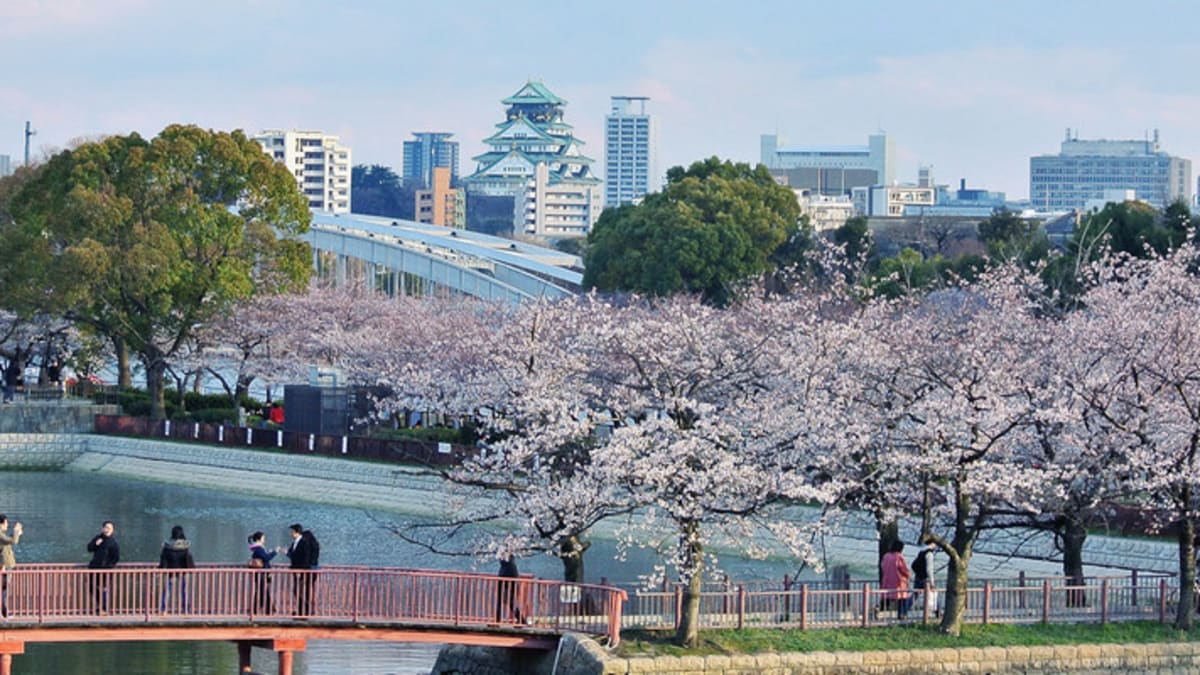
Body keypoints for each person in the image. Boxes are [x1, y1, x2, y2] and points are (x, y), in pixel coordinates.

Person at [158, 525, 195, 612]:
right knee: (184, 591)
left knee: (167, 590)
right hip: (183, 570)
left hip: (171, 570)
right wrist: (191, 567)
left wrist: (161, 568)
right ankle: (186, 609)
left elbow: (163, 559)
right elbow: (188, 558)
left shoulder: (167, 547)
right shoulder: (185, 546)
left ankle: (163, 609)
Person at [86, 521, 120, 614]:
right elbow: (89, 548)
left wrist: (108, 567)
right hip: (94, 568)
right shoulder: (98, 538)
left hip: (106, 571)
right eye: (106, 527)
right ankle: (100, 606)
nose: (107, 529)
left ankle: (104, 608)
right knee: (92, 587)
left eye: (109, 528)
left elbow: (115, 558)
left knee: (103, 589)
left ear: (112, 530)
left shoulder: (113, 543)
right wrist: (96, 544)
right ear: (103, 528)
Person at [285, 523, 319, 616]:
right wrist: (287, 553)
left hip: (302, 571)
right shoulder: (294, 543)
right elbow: (294, 556)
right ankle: (301, 610)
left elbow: (305, 558)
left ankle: (305, 610)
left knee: (301, 591)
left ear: (296, 532)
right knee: (298, 591)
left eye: (292, 532)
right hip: (296, 571)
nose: (290, 534)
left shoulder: (304, 542)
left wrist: (301, 570)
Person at [247, 531, 282, 614]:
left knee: (262, 591)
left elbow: (264, 558)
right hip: (261, 573)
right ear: (259, 539)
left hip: (261, 573)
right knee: (262, 591)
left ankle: (261, 609)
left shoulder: (257, 548)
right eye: (263, 538)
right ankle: (265, 609)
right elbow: (266, 558)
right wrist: (275, 552)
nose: (264, 540)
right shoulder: (259, 549)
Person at [880, 539, 912, 620]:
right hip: (898, 581)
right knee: (902, 598)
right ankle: (902, 614)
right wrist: (908, 574)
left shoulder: (886, 556)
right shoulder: (899, 557)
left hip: (887, 580)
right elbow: (903, 569)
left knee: (887, 597)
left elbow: (882, 566)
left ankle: (878, 608)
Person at [0, 515, 22, 618]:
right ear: (2, 523)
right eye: (6, 523)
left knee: (4, 590)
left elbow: (8, 541)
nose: (7, 525)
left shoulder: (2, 535)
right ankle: (3, 613)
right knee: (3, 590)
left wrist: (16, 533)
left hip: (6, 566)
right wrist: (16, 531)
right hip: (4, 567)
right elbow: (13, 541)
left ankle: (4, 613)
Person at [912, 540, 938, 618]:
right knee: (934, 595)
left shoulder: (921, 552)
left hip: (918, 577)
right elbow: (929, 569)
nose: (936, 546)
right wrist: (932, 582)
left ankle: (904, 610)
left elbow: (914, 565)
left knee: (915, 595)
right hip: (925, 579)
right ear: (932, 544)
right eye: (935, 544)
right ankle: (937, 612)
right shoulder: (929, 554)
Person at [495, 552, 521, 623]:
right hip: (508, 580)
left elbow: (504, 564)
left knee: (505, 602)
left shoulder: (508, 564)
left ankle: (498, 620)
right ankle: (521, 619)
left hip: (506, 580)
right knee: (509, 602)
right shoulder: (511, 564)